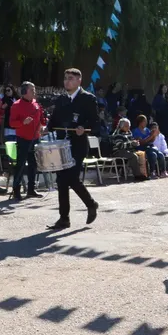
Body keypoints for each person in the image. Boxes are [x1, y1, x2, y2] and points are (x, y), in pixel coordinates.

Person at [47, 68, 99, 230]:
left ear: (79, 81)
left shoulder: (88, 98)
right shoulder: (61, 99)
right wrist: (46, 128)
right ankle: (64, 218)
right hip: (61, 144)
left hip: (77, 145)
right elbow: (54, 120)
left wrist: (84, 127)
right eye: (65, 78)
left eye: (70, 78)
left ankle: (90, 204)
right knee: (62, 181)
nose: (67, 81)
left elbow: (95, 122)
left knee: (71, 178)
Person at [8, 81, 44, 200]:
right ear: (24, 92)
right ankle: (16, 190)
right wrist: (22, 122)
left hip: (35, 138)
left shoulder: (36, 104)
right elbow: (12, 123)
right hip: (23, 139)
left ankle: (31, 190)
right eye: (32, 90)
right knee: (21, 165)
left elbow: (41, 119)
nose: (34, 92)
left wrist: (42, 126)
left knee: (33, 165)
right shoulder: (16, 105)